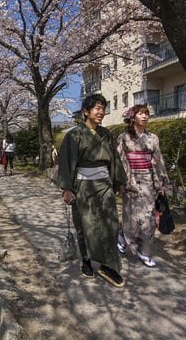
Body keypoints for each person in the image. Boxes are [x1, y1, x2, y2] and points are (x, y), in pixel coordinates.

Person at [57, 94, 128, 288]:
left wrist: (119, 181)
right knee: (85, 224)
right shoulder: (74, 135)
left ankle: (108, 264)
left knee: (110, 223)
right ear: (86, 112)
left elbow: (114, 159)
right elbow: (65, 162)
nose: (101, 112)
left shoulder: (106, 134)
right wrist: (66, 189)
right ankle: (86, 260)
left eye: (103, 108)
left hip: (104, 185)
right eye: (97, 108)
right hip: (84, 187)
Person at [116, 104, 169, 268]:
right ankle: (124, 236)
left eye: (147, 114)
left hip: (148, 181)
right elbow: (118, 161)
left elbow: (158, 160)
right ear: (133, 117)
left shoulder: (153, 138)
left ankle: (145, 252)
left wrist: (163, 181)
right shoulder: (123, 138)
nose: (145, 117)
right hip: (129, 180)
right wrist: (120, 182)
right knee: (131, 216)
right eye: (141, 113)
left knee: (149, 218)